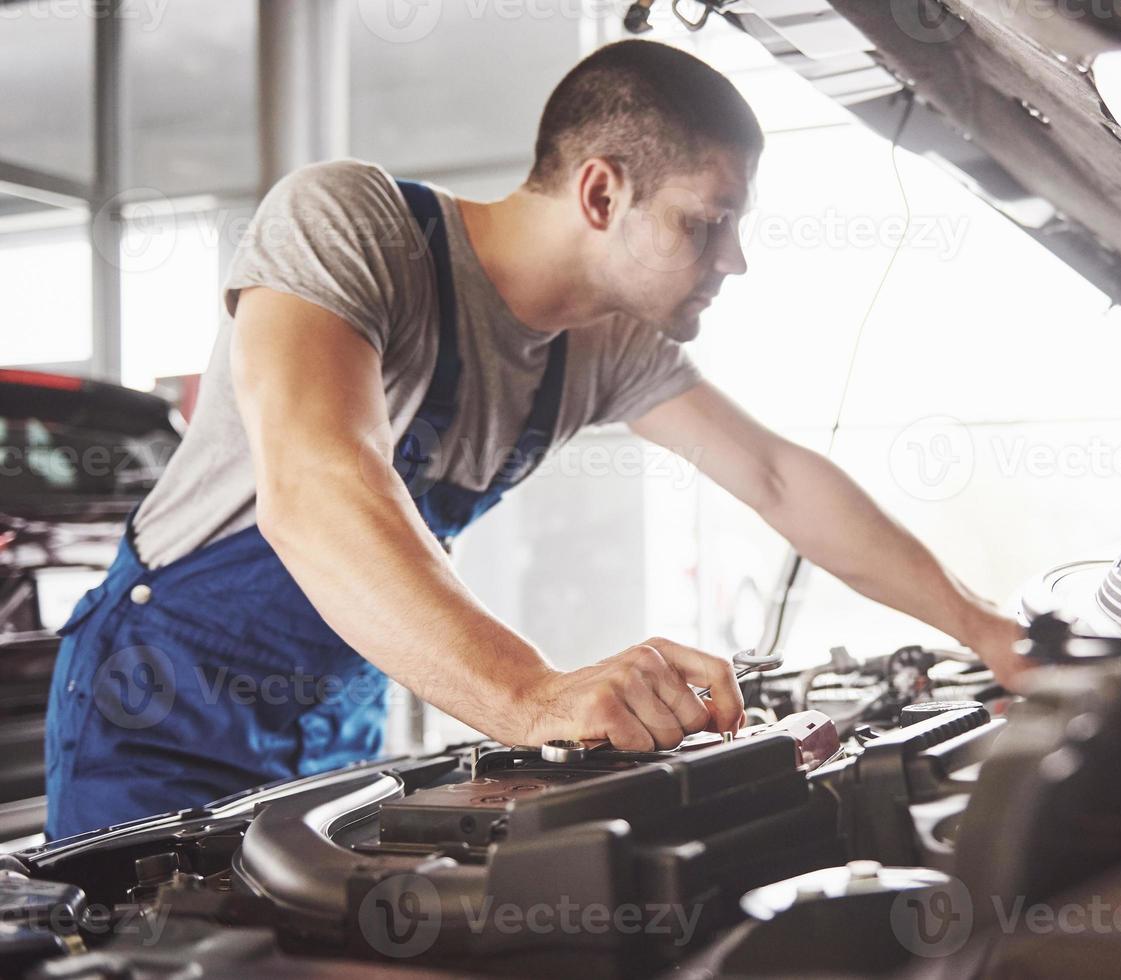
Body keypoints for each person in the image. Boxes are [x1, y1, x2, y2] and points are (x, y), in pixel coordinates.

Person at [44, 39, 1026, 840]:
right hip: (156, 708)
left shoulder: (605, 349)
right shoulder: (349, 225)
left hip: (334, 717)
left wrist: (988, 631)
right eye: (710, 222)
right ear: (601, 194)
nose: (735, 258)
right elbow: (313, 486)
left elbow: (776, 476)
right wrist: (532, 693)